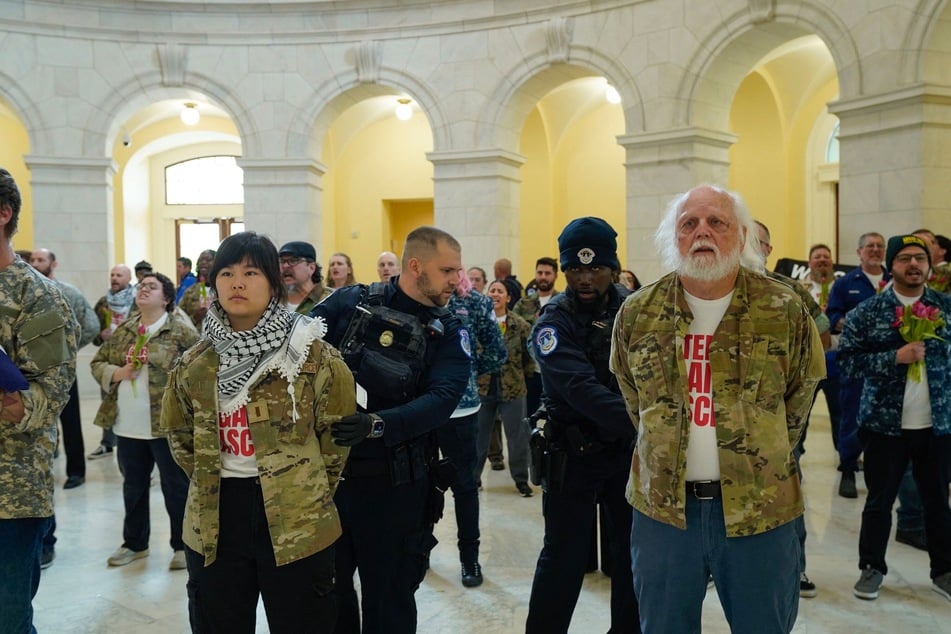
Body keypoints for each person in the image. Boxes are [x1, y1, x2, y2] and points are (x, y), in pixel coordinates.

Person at [611, 185, 825, 633]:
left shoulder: (782, 308)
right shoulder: (638, 312)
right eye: (689, 223)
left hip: (761, 512)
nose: (702, 232)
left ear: (742, 235)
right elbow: (634, 399)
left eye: (717, 222)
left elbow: (799, 399)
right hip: (665, 515)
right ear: (674, 237)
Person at [161, 231, 354, 632]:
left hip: (298, 521)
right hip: (215, 519)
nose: (237, 282)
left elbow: (336, 438)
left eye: (251, 272)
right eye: (226, 272)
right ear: (213, 283)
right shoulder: (195, 362)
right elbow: (179, 433)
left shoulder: (310, 353)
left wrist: (305, 489)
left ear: (273, 281)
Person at [310, 226, 470, 634]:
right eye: (448, 270)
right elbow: (296, 347)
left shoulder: (449, 329)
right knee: (329, 596)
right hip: (332, 482)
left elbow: (443, 399)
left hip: (398, 486)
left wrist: (378, 425)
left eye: (458, 270)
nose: (457, 279)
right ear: (416, 266)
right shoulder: (352, 302)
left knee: (391, 600)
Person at [525, 217, 638, 633]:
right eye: (575, 269)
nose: (585, 278)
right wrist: (648, 424)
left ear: (613, 267)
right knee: (564, 559)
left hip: (624, 455)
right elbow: (579, 388)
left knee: (630, 556)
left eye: (595, 269)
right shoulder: (553, 320)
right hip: (571, 455)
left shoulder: (633, 307)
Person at [837, 234, 951, 602]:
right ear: (891, 265)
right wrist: (893, 358)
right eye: (904, 259)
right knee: (879, 501)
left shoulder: (946, 309)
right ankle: (872, 568)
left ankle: (944, 570)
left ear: (930, 264)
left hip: (937, 425)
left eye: (920, 258)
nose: (914, 265)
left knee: (937, 500)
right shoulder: (867, 313)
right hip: (884, 426)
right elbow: (848, 362)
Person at [0, 167, 78, 634]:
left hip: (9, 491)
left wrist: (16, 402)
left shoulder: (38, 296)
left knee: (7, 619)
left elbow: (47, 397)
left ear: (3, 214)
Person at [90, 271, 197, 570]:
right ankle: (135, 544)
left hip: (167, 425)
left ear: (166, 298)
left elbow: (202, 366)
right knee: (133, 487)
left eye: (152, 287)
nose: (143, 290)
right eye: (141, 286)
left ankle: (182, 546)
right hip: (128, 426)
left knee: (176, 488)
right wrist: (117, 373)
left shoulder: (180, 331)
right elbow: (97, 362)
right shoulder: (125, 331)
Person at [753, 221, 829, 599]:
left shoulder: (789, 290)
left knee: (785, 493)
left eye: (757, 241)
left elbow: (823, 335)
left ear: (768, 249)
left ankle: (794, 567)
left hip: (777, 422)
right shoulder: (708, 290)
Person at [441, 269, 506, 587]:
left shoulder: (476, 303)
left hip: (462, 410)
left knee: (465, 488)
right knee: (419, 486)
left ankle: (470, 560)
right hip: (417, 411)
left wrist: (466, 374)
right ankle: (418, 554)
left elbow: (497, 351)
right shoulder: (413, 301)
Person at [29, 248, 99, 490]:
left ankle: (76, 472)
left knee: (70, 422)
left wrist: (66, 350)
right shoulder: (24, 292)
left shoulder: (68, 293)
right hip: (30, 371)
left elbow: (91, 325)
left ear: (53, 263)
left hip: (61, 369)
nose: (36, 263)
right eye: (33, 260)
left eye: (41, 260)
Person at [826, 232, 887, 498]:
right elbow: (832, 317)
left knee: (883, 420)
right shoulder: (845, 283)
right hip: (856, 362)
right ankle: (848, 468)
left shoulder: (892, 280)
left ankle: (880, 473)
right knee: (850, 416)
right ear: (859, 252)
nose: (874, 250)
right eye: (869, 246)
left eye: (879, 246)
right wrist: (855, 320)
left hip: (888, 364)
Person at [477, 279, 535, 497]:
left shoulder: (520, 325)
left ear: (508, 298)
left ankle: (521, 480)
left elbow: (529, 358)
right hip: (484, 388)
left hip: (513, 389)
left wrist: (521, 377)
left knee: (518, 437)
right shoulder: (480, 324)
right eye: (491, 290)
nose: (495, 294)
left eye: (499, 291)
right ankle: (474, 480)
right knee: (479, 437)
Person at [88, 263, 137, 459]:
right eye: (112, 275)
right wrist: (101, 335)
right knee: (108, 401)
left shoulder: (137, 300)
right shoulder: (103, 303)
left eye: (119, 275)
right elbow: (93, 334)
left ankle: (136, 445)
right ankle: (107, 443)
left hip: (133, 360)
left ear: (128, 278)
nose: (114, 278)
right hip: (110, 359)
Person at [512, 257, 560, 417]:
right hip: (530, 372)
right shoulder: (523, 304)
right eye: (540, 272)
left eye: (548, 273)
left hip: (555, 371)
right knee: (528, 417)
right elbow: (513, 336)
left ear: (555, 276)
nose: (543, 277)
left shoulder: (562, 302)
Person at [279, 241, 331, 314]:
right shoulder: (273, 300)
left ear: (311, 268)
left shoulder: (330, 299)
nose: (285, 266)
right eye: (282, 261)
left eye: (293, 261)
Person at [178, 249, 216, 329]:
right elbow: (179, 319)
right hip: (197, 337)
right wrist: (195, 318)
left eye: (208, 260)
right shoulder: (191, 291)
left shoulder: (223, 289)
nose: (203, 262)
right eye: (201, 260)